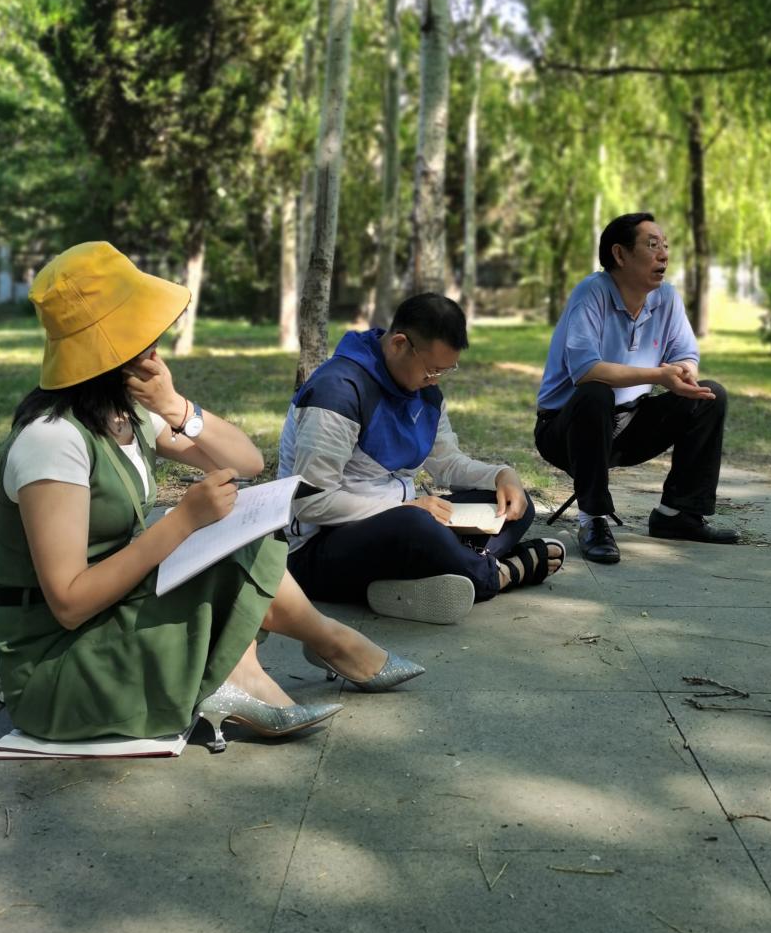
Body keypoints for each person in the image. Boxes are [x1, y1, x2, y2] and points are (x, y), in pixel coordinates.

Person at [0, 242, 423, 753]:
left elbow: (246, 461)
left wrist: (176, 406)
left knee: (242, 531)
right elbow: (68, 603)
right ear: (115, 347)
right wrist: (182, 523)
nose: (157, 342)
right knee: (217, 539)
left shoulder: (124, 414)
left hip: (113, 617)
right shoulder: (52, 439)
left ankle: (310, 647)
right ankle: (301, 654)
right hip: (59, 668)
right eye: (145, 330)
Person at [278, 293, 565, 625]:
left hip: (402, 523)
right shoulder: (338, 391)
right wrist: (403, 508)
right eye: (431, 370)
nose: (435, 380)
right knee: (417, 527)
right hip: (317, 550)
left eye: (445, 371)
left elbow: (448, 463)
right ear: (399, 344)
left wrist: (502, 475)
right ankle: (495, 575)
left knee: (515, 505)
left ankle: (440, 571)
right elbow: (311, 503)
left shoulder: (424, 392)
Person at [534, 212, 738, 564]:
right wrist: (658, 376)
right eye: (652, 244)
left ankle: (678, 514)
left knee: (710, 396)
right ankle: (593, 520)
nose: (664, 254)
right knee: (596, 391)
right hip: (566, 429)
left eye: (666, 246)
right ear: (620, 254)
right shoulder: (592, 293)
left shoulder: (666, 298)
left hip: (629, 423)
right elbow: (585, 371)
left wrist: (685, 374)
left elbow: (686, 354)